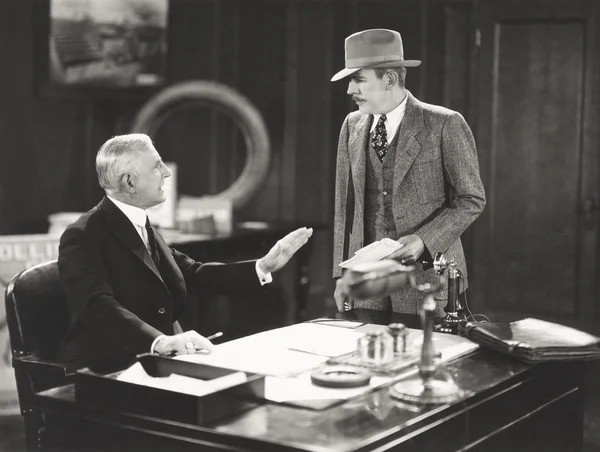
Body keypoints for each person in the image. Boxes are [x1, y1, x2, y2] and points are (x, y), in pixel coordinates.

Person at [57, 133, 313, 371]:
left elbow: (192, 273)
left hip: (151, 361)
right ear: (130, 182)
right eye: (156, 166)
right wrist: (159, 342)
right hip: (104, 370)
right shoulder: (83, 234)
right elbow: (96, 306)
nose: (166, 173)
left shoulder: (141, 223)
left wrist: (263, 266)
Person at [331, 29, 485, 315]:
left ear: (389, 79)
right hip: (368, 284)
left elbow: (471, 199)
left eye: (358, 80)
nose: (350, 90)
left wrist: (422, 240)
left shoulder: (444, 124)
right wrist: (342, 274)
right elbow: (345, 209)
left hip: (428, 281)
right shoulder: (351, 125)